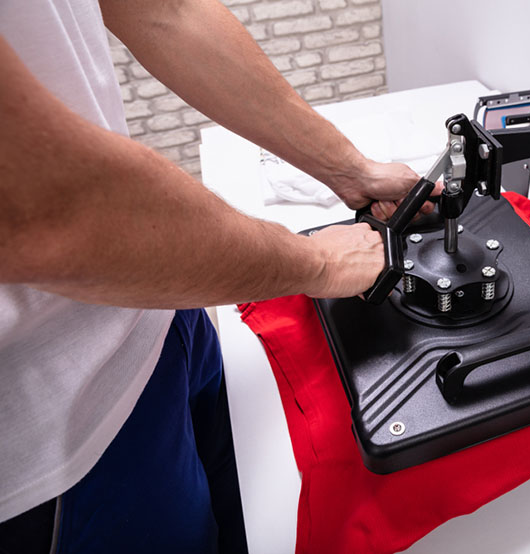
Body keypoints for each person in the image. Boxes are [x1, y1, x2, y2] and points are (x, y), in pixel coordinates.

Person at [0, 0, 435, 552]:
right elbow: (46, 210)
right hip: (60, 437)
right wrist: (319, 263)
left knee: (243, 523)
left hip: (162, 317)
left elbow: (166, 13)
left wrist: (349, 170)